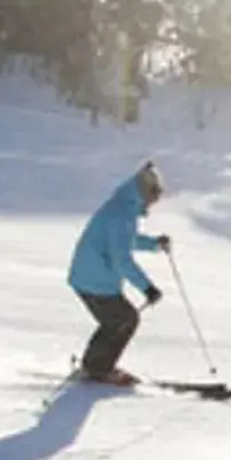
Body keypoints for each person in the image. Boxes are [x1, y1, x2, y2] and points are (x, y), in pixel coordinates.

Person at [67, 160, 170, 385]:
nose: (154, 202)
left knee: (116, 320)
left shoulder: (124, 205)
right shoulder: (123, 213)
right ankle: (98, 369)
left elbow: (123, 242)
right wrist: (148, 288)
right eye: (155, 196)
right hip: (94, 279)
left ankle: (94, 365)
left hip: (90, 276)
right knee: (124, 319)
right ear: (146, 191)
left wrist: (153, 244)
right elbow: (121, 259)